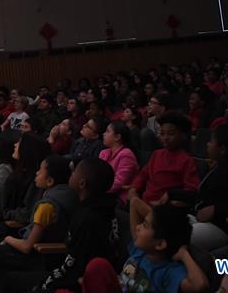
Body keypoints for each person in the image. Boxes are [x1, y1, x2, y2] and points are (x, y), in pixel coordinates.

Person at [0, 157, 120, 293]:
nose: (70, 175)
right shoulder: (104, 208)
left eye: (74, 173)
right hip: (62, 267)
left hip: (64, 274)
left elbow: (72, 267)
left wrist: (44, 285)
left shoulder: (86, 218)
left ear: (82, 183)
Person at [0, 156, 76, 285]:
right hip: (48, 256)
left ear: (50, 181)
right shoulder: (68, 195)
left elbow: (26, 247)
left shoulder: (47, 206)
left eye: (40, 171)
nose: (36, 173)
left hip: (36, 257)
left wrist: (7, 239)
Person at [79, 196, 209, 292]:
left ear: (160, 244)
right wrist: (159, 220)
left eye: (144, 225)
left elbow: (200, 285)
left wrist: (184, 254)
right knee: (98, 266)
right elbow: (134, 203)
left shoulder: (168, 272)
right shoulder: (140, 251)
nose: (137, 228)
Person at [127, 112, 199, 205]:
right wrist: (134, 188)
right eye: (162, 133)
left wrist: (174, 203)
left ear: (183, 136)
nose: (165, 138)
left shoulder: (187, 160)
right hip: (145, 202)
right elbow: (143, 174)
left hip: (164, 208)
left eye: (171, 134)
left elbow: (190, 190)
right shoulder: (156, 154)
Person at [99, 120, 139, 205]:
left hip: (119, 198)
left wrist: (97, 189)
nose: (104, 134)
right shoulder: (104, 153)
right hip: (104, 192)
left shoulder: (126, 154)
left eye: (107, 131)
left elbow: (119, 183)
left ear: (117, 137)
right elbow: (96, 174)